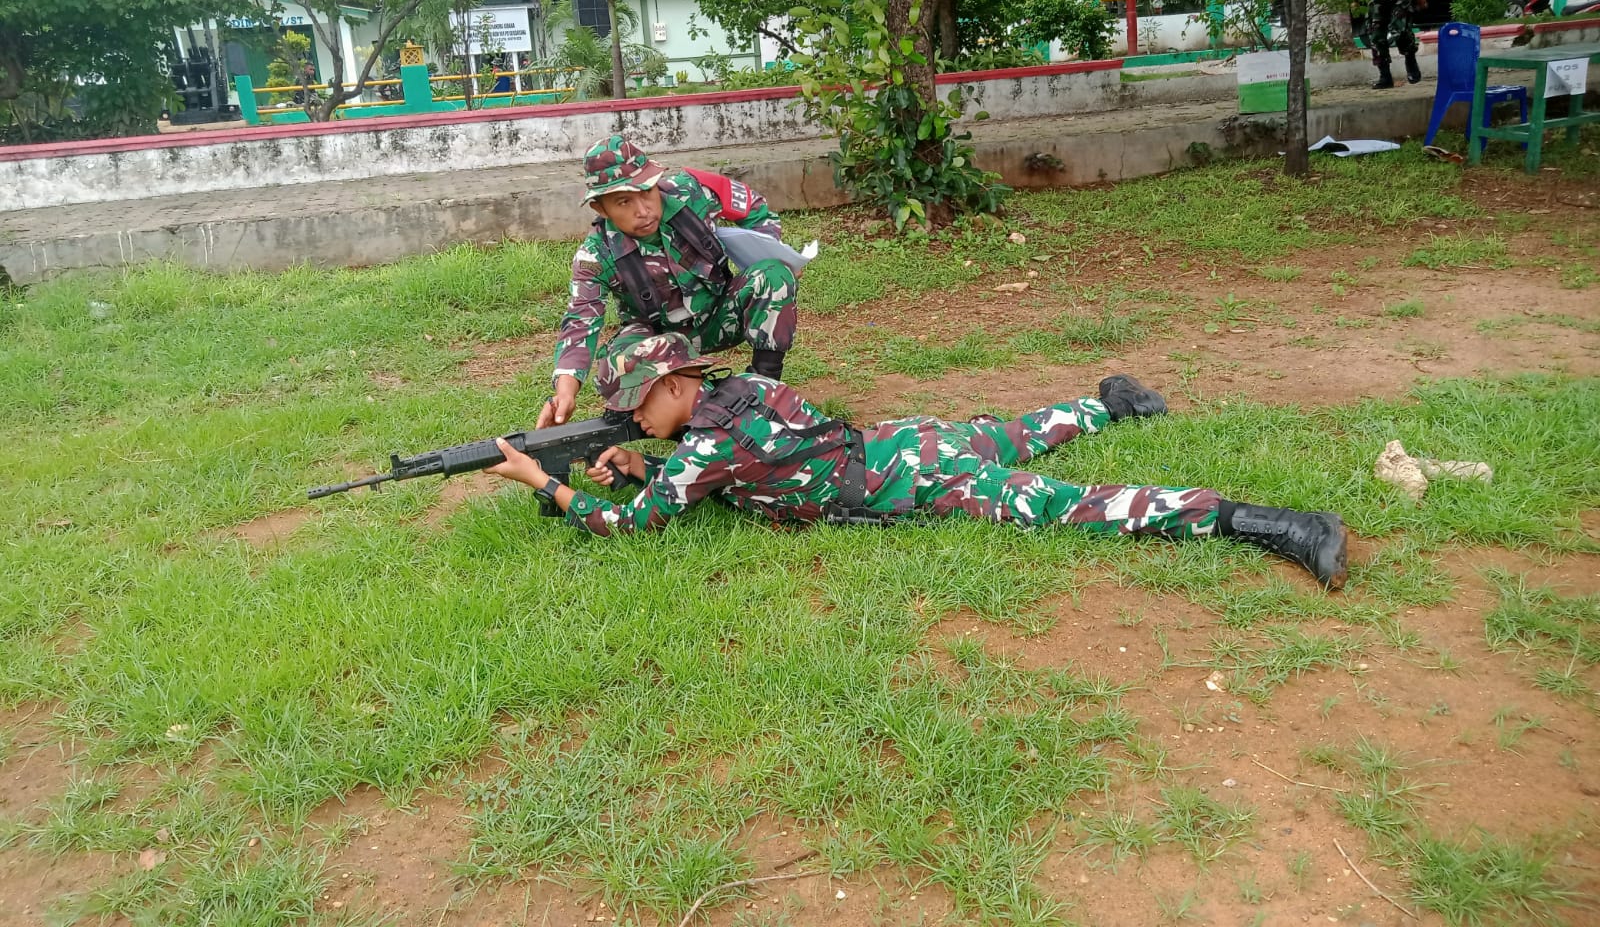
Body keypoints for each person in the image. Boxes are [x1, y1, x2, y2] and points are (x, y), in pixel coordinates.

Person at [492, 333, 1350, 589]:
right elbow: (723, 474)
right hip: (901, 440)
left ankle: (1263, 523)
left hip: (921, 478)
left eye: (642, 398)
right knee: (1013, 432)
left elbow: (626, 524)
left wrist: (545, 482)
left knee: (1070, 504)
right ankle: (1108, 401)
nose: (635, 415)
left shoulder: (711, 446)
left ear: (680, 383)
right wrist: (647, 459)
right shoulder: (742, 398)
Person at [536, 134, 798, 430]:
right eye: (624, 201)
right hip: (660, 344)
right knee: (615, 365)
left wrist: (771, 248)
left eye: (647, 191)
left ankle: (763, 391)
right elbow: (580, 322)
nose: (643, 210)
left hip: (719, 316)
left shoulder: (692, 191)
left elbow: (752, 206)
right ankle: (705, 408)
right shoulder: (595, 256)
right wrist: (566, 391)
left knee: (774, 274)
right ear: (601, 209)